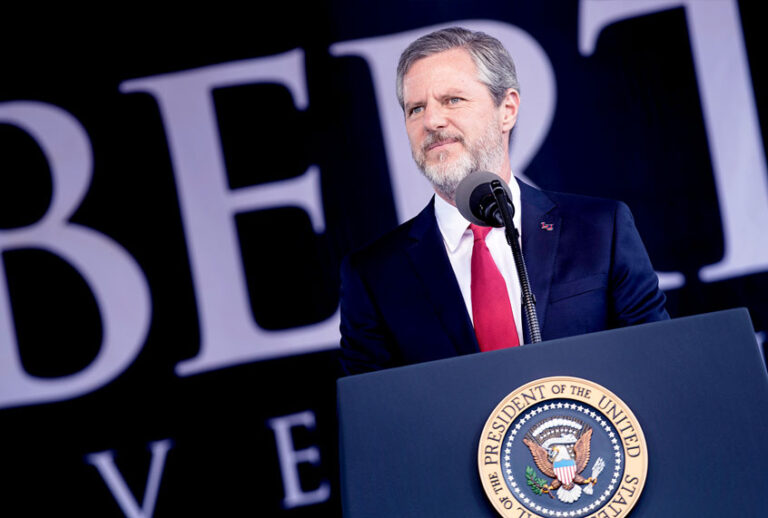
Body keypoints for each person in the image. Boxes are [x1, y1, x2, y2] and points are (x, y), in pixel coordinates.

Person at [339, 27, 669, 375]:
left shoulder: (601, 230)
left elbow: (657, 366)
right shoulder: (373, 277)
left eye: (452, 100)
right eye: (416, 108)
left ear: (507, 110)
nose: (431, 121)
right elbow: (373, 405)